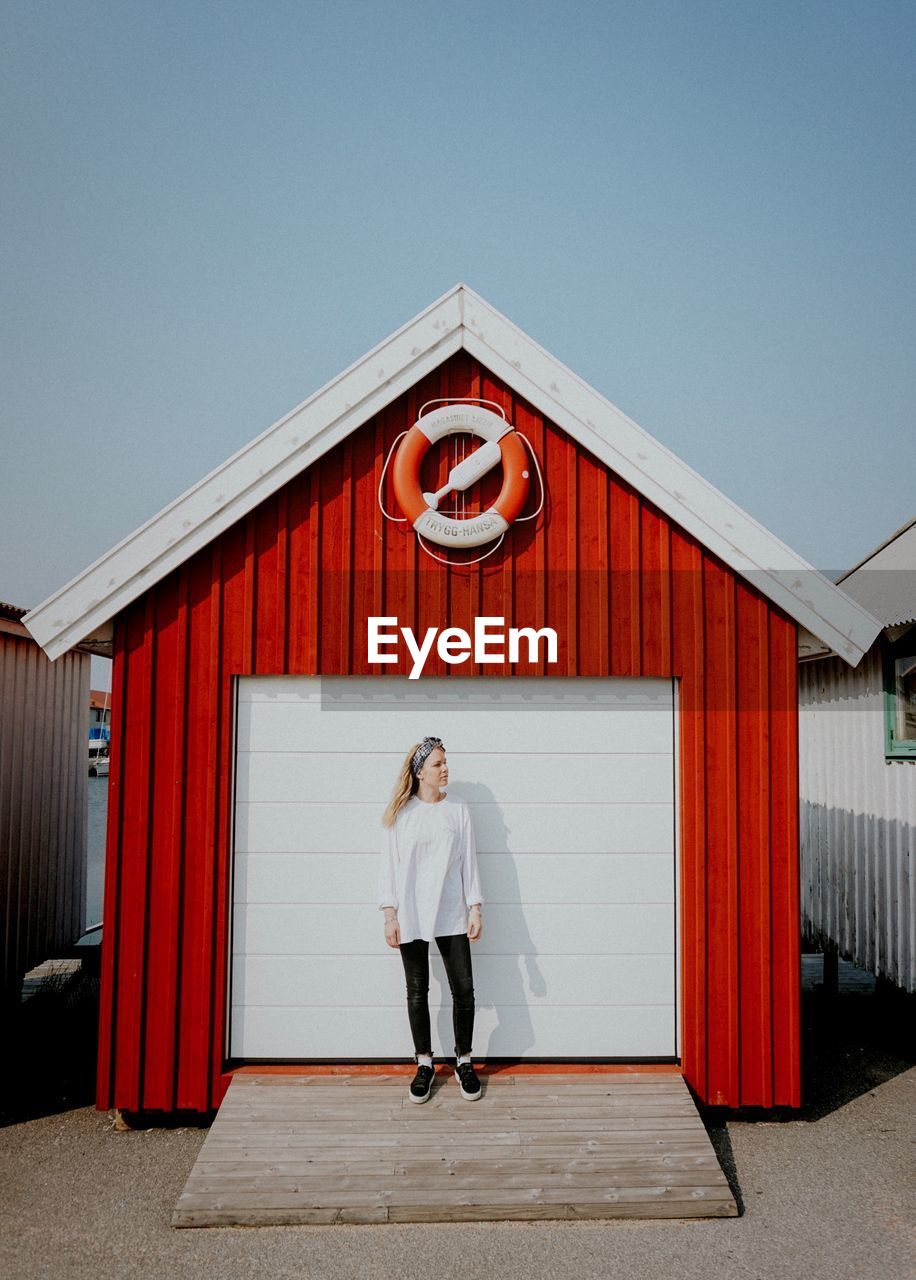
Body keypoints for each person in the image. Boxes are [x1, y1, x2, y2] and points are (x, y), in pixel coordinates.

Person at [377, 735, 484, 1104]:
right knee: (416, 992)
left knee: (464, 991)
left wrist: (475, 907)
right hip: (411, 915)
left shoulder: (458, 809)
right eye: (437, 764)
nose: (445, 768)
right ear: (420, 771)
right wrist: (389, 914)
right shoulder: (401, 814)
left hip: (452, 912)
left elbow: (469, 861)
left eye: (445, 762)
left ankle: (463, 1061)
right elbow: (389, 868)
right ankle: (424, 1063)